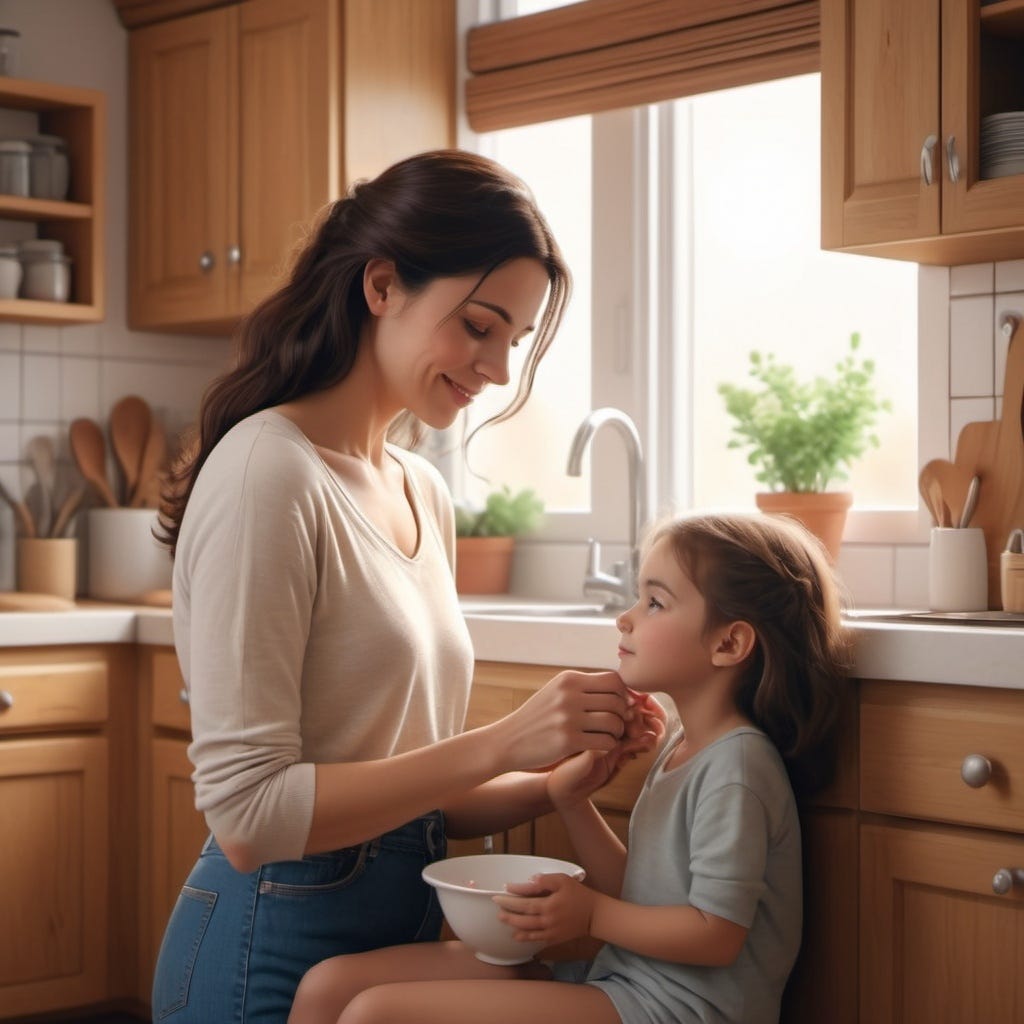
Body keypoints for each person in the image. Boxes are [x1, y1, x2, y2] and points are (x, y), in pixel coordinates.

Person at [151, 149, 656, 1023]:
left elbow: (408, 788)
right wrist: (505, 739)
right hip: (263, 956)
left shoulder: (419, 487)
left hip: (398, 945)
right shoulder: (268, 473)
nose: (497, 368)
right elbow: (249, 817)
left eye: (514, 340)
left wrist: (551, 782)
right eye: (481, 326)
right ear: (382, 286)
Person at [286, 511, 854, 1024]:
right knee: (331, 985)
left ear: (729, 643)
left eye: (654, 602)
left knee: (378, 1014)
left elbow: (716, 937)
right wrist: (569, 796)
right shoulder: (684, 748)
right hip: (622, 982)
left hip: (676, 1010)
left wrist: (590, 916)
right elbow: (643, 898)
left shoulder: (738, 766)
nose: (625, 620)